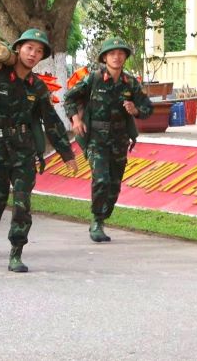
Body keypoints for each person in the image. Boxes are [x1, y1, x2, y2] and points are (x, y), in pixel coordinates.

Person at [0, 28, 78, 273]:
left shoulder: (37, 86)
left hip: (23, 151)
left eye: (39, 51)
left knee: (23, 203)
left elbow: (51, 121)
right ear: (18, 48)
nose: (33, 54)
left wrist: (67, 154)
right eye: (29, 48)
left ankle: (16, 252)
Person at [64, 38, 153, 242]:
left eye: (121, 53)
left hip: (120, 139)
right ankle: (96, 221)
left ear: (125, 57)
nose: (116, 56)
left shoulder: (130, 82)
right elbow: (69, 97)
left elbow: (148, 108)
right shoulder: (93, 79)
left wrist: (135, 109)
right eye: (112, 53)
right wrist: (75, 119)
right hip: (96, 138)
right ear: (104, 57)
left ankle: (103, 216)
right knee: (101, 179)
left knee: (114, 186)